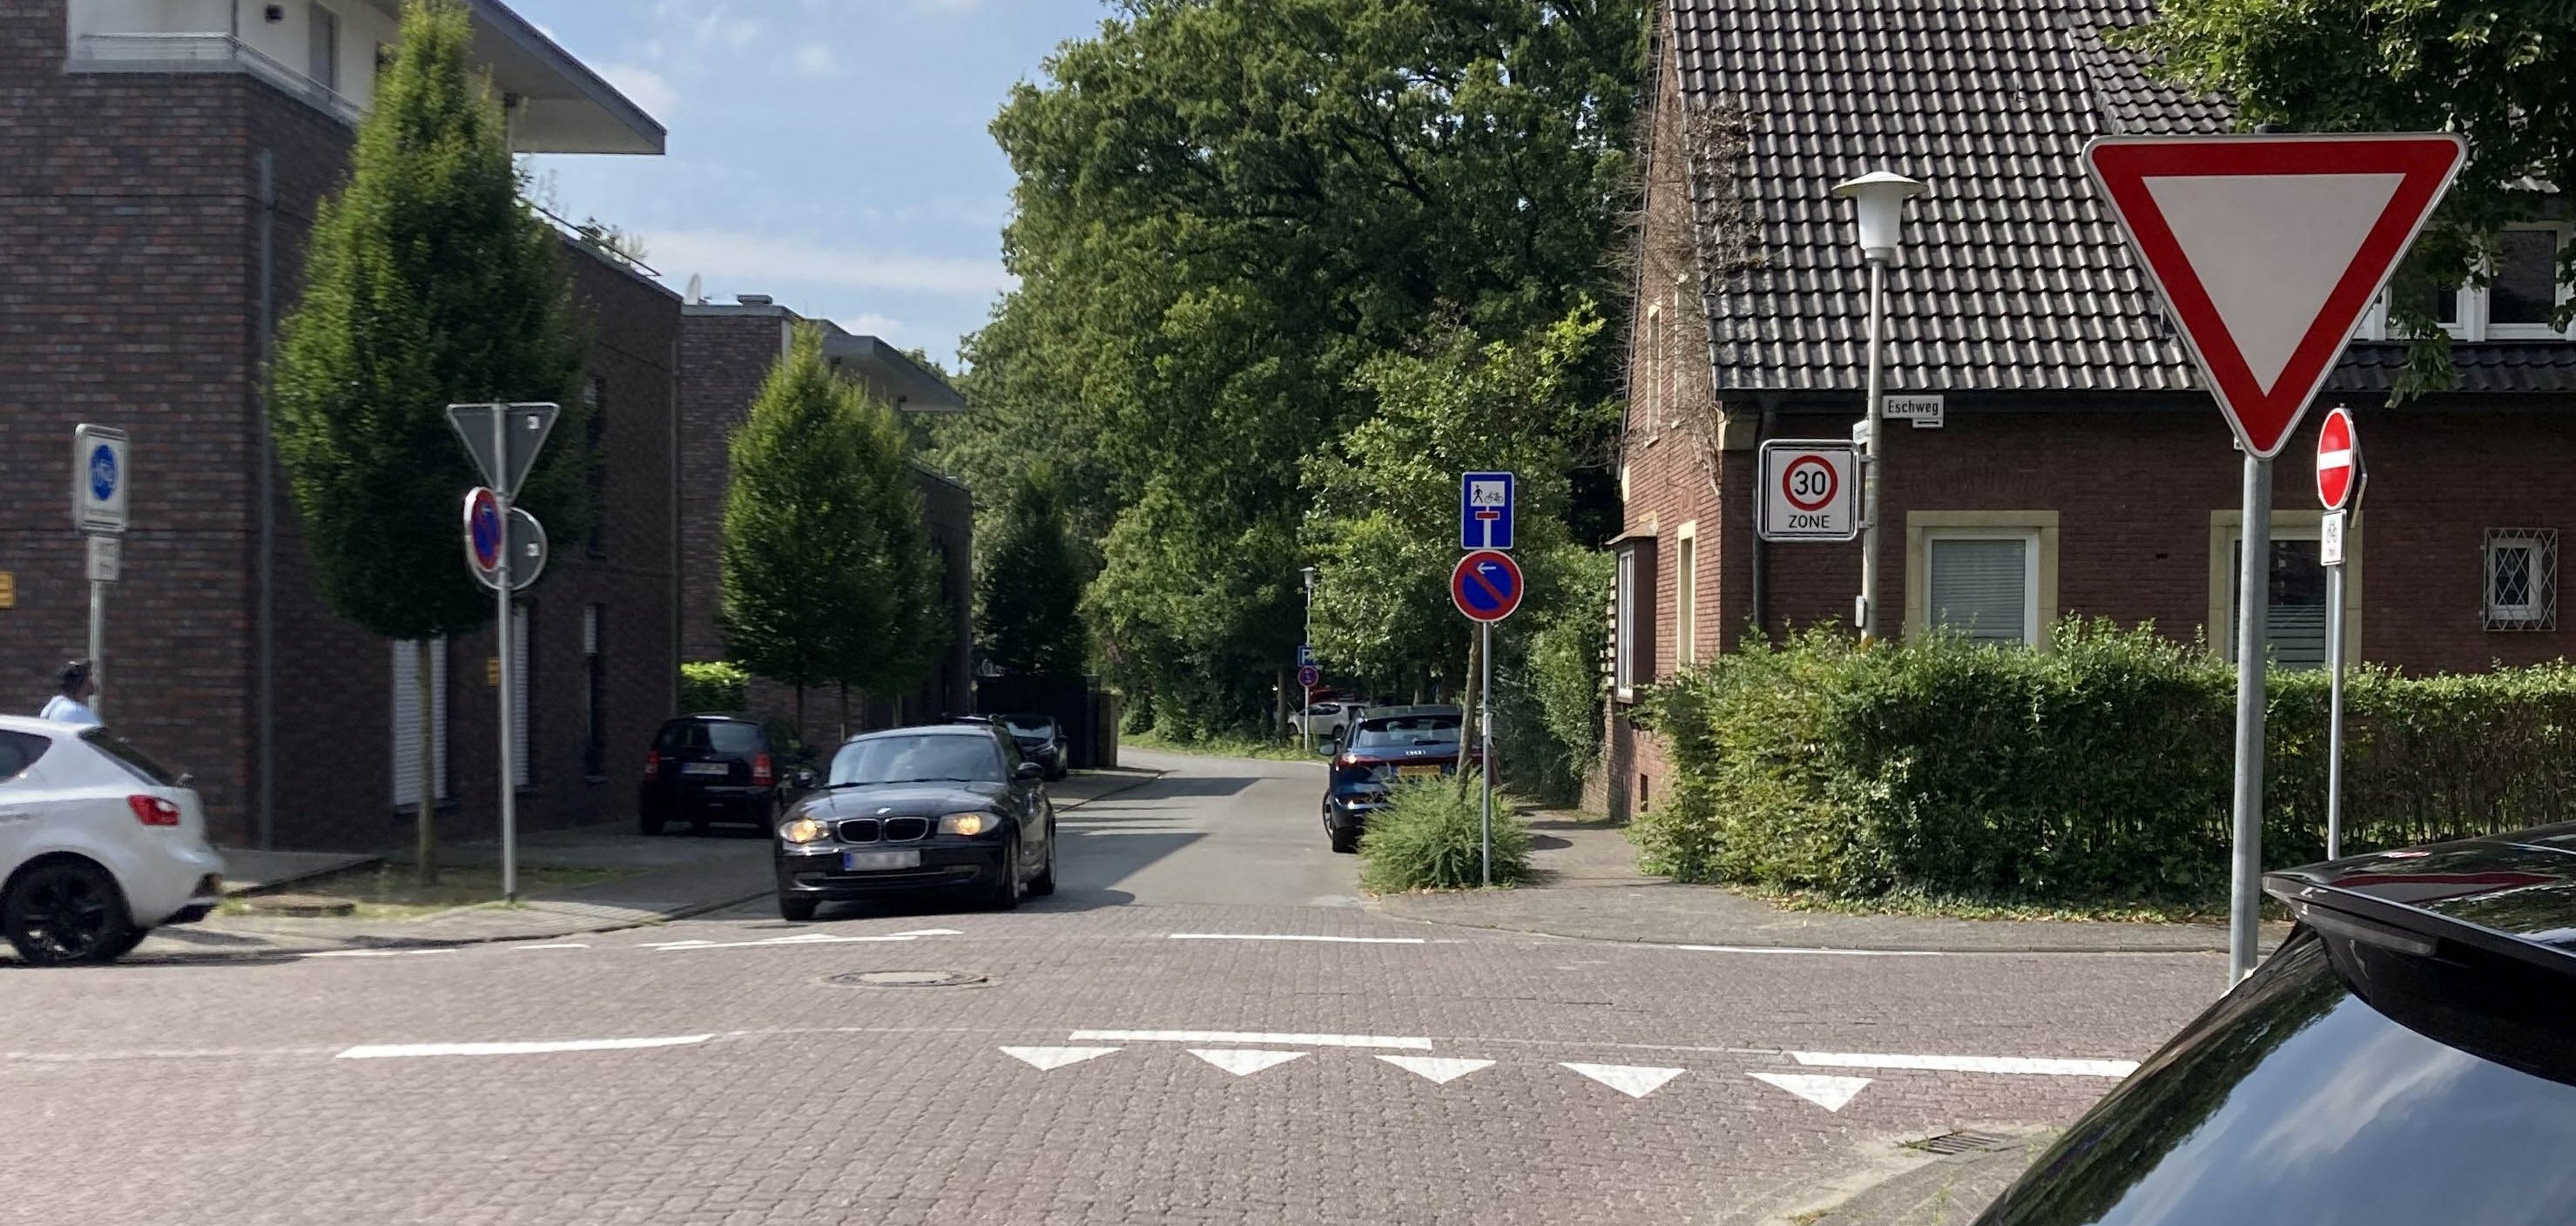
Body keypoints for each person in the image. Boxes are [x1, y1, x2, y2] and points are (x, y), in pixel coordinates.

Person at [41, 660, 99, 726]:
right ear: (81, 682)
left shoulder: (61, 707)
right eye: (90, 675)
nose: (93, 680)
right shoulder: (74, 712)